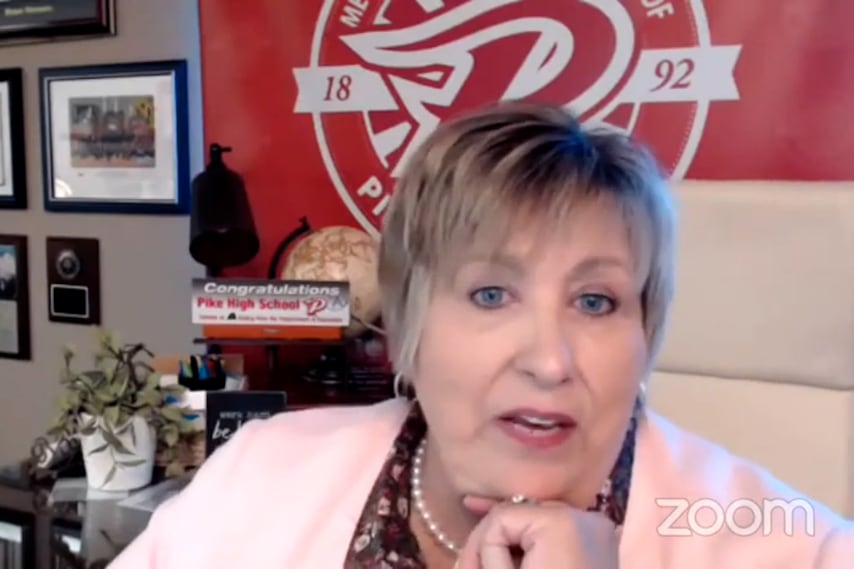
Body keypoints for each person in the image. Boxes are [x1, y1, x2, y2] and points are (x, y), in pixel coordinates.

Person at [110, 101, 853, 568]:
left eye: (596, 301)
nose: (550, 360)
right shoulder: (258, 481)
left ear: (646, 332)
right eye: (491, 293)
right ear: (406, 330)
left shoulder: (789, 541)